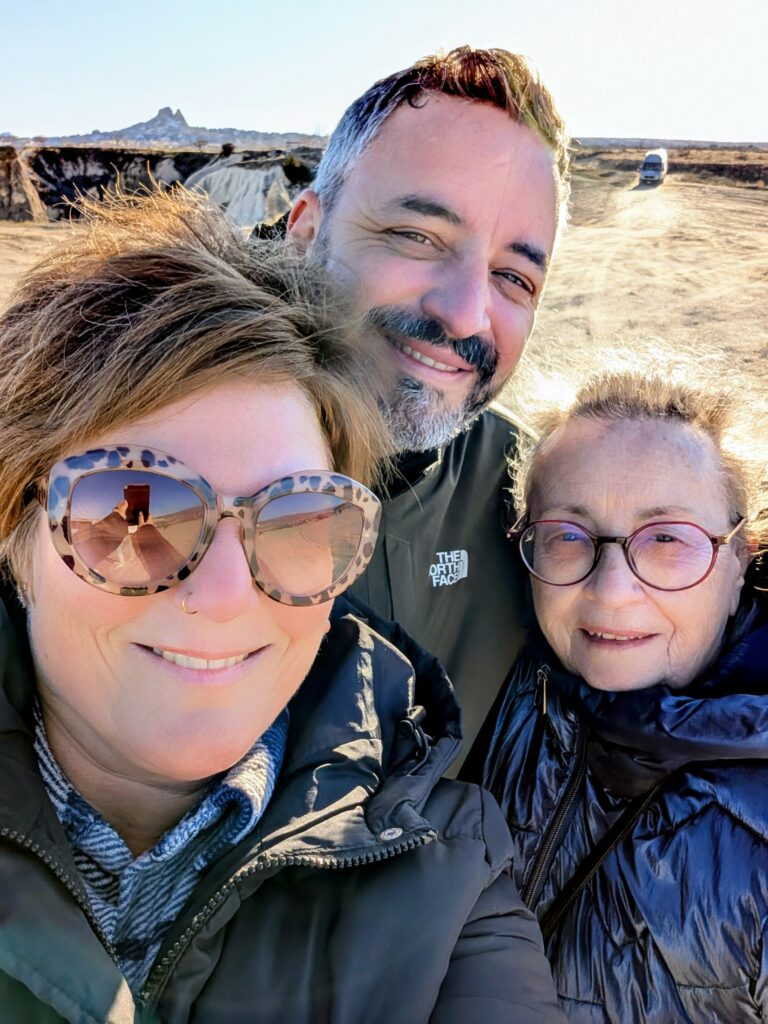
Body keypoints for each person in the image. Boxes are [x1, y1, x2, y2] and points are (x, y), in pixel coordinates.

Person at [0, 189, 564, 1023]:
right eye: (134, 512)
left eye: (299, 521)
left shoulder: (445, 881)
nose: (227, 596)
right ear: (17, 537)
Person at [287, 46, 570, 760]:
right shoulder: (140, 452)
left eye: (513, 276)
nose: (467, 314)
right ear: (304, 233)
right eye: (418, 236)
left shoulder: (532, 499)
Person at [481, 368, 768, 1022]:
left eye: (666, 538)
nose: (611, 592)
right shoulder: (489, 693)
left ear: (739, 559)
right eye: (568, 535)